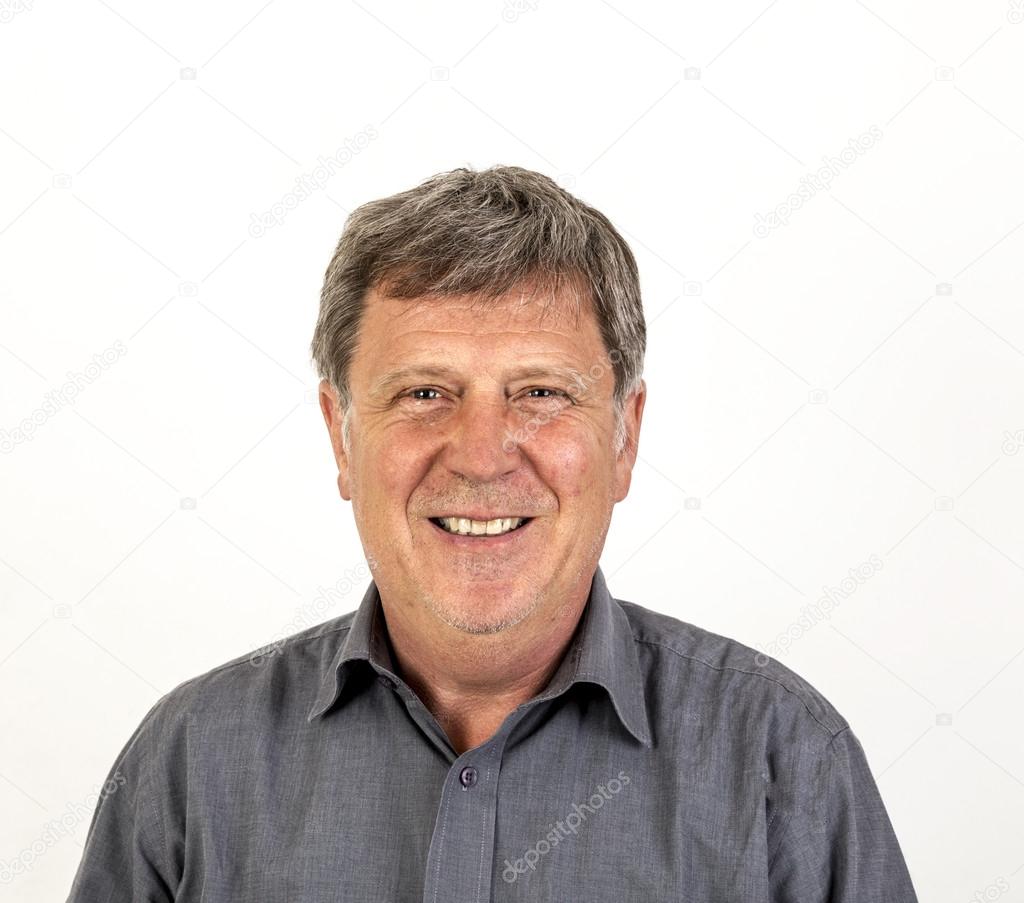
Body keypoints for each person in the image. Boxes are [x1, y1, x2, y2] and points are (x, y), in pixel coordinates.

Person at [67, 165, 919, 901]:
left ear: (625, 435)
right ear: (341, 435)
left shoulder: (786, 764)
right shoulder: (187, 767)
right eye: (424, 393)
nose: (481, 456)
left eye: (541, 392)